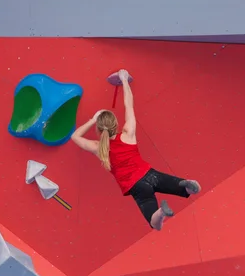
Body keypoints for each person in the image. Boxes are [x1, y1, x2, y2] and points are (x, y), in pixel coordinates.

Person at [70, 69, 201, 230]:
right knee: (177, 186)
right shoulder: (127, 134)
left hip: (136, 186)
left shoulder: (99, 148)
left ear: (98, 129)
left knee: (155, 223)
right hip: (149, 173)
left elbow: (75, 137)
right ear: (115, 124)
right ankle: (188, 184)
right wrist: (124, 79)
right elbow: (128, 105)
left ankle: (160, 213)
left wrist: (92, 119)